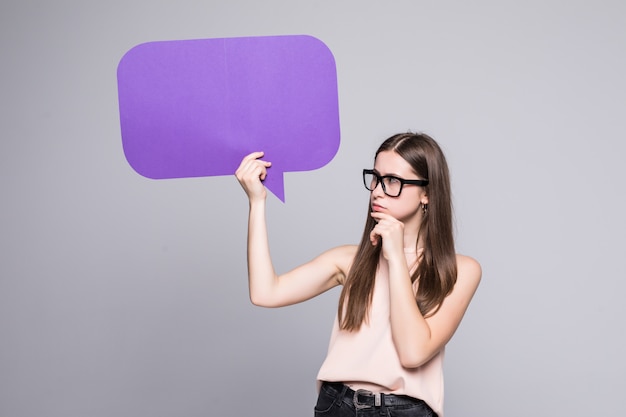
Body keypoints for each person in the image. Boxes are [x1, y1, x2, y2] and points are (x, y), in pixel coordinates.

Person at [235, 132, 481, 417]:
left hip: (404, 411)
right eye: (375, 178)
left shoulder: (460, 270)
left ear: (427, 193)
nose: (377, 190)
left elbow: (413, 352)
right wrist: (257, 202)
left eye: (393, 181)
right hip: (337, 405)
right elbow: (265, 293)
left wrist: (396, 258)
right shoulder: (349, 259)